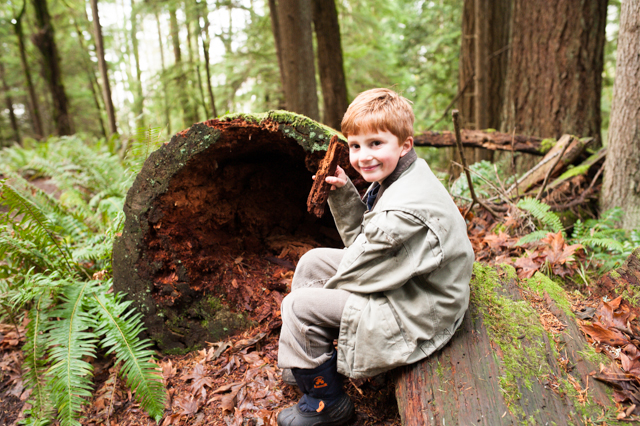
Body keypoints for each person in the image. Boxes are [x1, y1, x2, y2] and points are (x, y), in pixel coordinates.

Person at [277, 88, 475, 426]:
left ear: (404, 144)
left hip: (423, 309)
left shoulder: (401, 212)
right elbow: (367, 242)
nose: (363, 156)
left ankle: (326, 402)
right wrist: (344, 194)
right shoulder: (401, 175)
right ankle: (308, 358)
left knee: (298, 306)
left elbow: (359, 268)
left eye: (376, 143)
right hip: (413, 282)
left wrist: (308, 309)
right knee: (312, 263)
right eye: (355, 145)